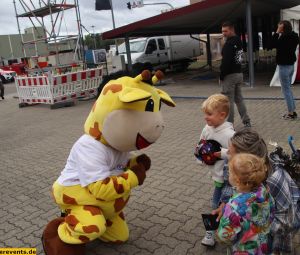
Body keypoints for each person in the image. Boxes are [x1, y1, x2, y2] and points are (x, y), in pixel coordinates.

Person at [213, 128, 300, 254]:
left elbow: (289, 222)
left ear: (245, 160)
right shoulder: (243, 171)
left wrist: (253, 229)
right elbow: (229, 184)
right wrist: (224, 204)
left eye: (230, 153)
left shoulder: (275, 179)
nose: (227, 155)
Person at [196, 94, 235, 247]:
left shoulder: (230, 134)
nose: (206, 117)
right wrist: (199, 158)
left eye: (209, 114)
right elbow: (201, 144)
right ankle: (225, 224)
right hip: (215, 175)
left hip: (228, 178)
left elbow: (235, 154)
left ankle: (211, 234)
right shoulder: (207, 128)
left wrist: (221, 153)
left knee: (216, 204)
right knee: (221, 203)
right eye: (205, 114)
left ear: (222, 115)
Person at [216, 153, 274, 254]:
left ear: (237, 180)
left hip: (244, 250)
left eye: (229, 172)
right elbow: (272, 211)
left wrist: (217, 232)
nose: (228, 174)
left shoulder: (234, 206)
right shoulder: (263, 190)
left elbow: (224, 236)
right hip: (262, 245)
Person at [220, 21, 251, 127]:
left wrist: (221, 75)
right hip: (239, 73)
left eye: (226, 31)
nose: (224, 33)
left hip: (230, 75)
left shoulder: (229, 44)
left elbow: (226, 62)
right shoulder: (239, 41)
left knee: (228, 101)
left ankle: (229, 124)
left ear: (232, 30)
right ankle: (246, 121)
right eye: (222, 31)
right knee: (239, 99)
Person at [271, 20, 299, 120]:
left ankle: (291, 113)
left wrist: (277, 32)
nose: (278, 28)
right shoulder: (295, 36)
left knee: (286, 90)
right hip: (291, 66)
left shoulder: (283, 38)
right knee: (288, 89)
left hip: (284, 66)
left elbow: (272, 44)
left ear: (283, 28)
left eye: (279, 27)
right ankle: (293, 111)